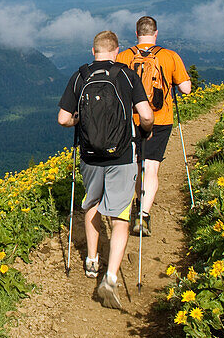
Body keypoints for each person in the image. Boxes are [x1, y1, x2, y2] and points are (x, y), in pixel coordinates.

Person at [58, 30, 153, 310]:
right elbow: (146, 115)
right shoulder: (125, 75)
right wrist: (145, 130)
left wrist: (78, 121)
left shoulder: (80, 76)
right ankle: (110, 277)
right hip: (122, 155)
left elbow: (63, 118)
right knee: (120, 216)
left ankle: (90, 259)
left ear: (93, 50)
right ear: (116, 50)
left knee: (93, 203)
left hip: (89, 155)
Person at [117, 16, 192, 237]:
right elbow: (186, 89)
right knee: (151, 166)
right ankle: (144, 215)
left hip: (131, 119)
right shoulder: (169, 56)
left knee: (135, 163)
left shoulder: (124, 56)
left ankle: (134, 203)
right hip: (160, 119)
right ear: (156, 33)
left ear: (137, 33)